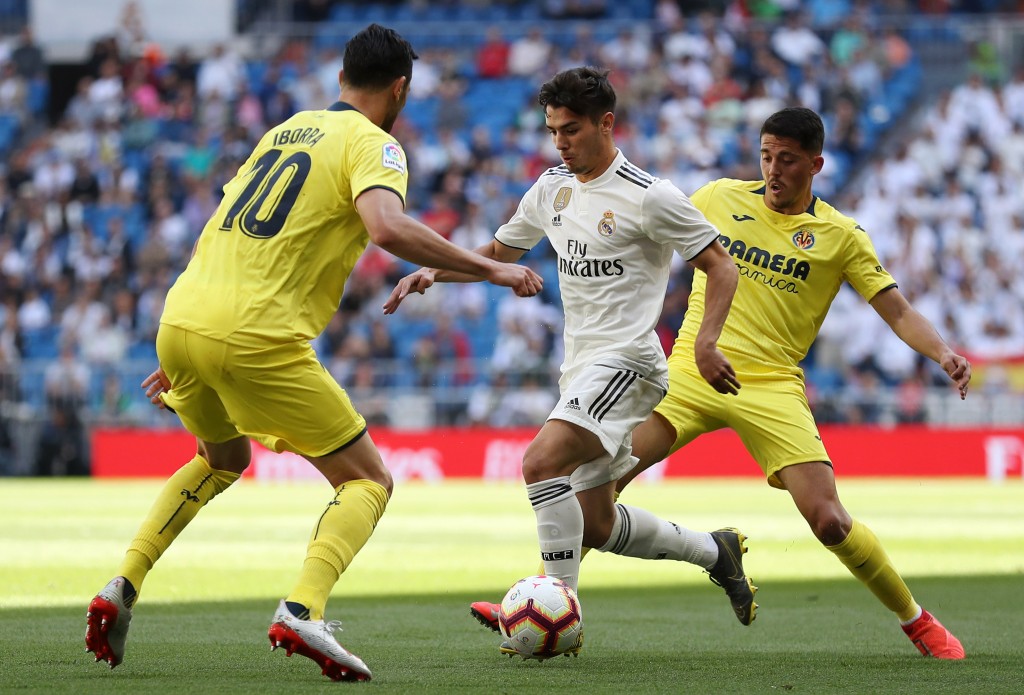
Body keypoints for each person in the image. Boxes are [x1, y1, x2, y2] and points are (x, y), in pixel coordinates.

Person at [84, 24, 543, 682]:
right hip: (255, 332)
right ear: (400, 88)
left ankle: (120, 586)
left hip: (184, 314)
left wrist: (191, 337)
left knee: (221, 457)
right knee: (368, 480)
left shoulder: (284, 131)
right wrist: (489, 268)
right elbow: (386, 226)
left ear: (339, 80)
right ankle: (303, 608)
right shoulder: (373, 143)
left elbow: (224, 226)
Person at [467, 107, 970, 660]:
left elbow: (896, 311)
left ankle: (917, 621)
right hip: (687, 376)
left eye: (788, 161)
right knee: (594, 492)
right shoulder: (716, 198)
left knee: (828, 520)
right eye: (766, 156)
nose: (773, 170)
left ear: (816, 165)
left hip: (772, 386)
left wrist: (942, 353)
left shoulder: (841, 237)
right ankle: (543, 596)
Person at [384, 66, 743, 656]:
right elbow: (500, 251)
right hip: (580, 368)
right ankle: (714, 550)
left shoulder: (651, 196)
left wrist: (704, 342)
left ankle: (554, 611)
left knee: (539, 462)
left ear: (606, 124)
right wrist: (432, 271)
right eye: (553, 131)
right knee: (595, 524)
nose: (560, 142)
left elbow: (721, 265)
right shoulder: (552, 188)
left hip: (630, 363)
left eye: (571, 130)